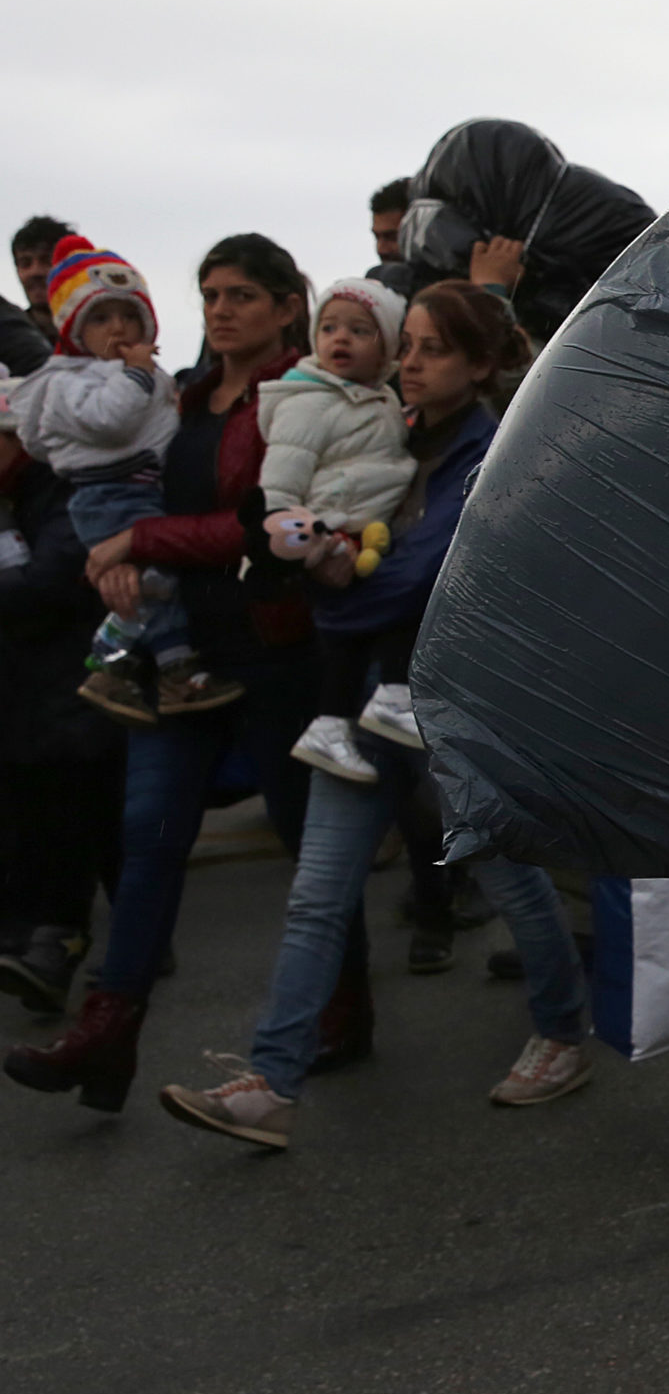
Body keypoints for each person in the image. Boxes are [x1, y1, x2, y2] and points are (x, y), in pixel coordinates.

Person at [155, 281, 581, 1147]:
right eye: (409, 345)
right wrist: (304, 560)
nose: (411, 363)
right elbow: (304, 548)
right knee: (316, 893)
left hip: (450, 707)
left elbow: (408, 580)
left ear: (482, 365)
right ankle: (272, 1081)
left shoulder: (488, 453)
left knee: (508, 878)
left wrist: (331, 578)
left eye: (433, 349)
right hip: (357, 706)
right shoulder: (384, 431)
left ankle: (565, 1032)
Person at [3, 233, 318, 1114]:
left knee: (309, 847)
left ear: (287, 306)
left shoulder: (302, 397)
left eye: (242, 295)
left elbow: (267, 526)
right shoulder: (177, 395)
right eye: (209, 293)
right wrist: (118, 564)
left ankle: (339, 1011)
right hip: (181, 662)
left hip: (272, 648)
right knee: (147, 846)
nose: (220, 310)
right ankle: (106, 1037)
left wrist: (141, 542)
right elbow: (120, 496)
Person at [13, 237, 240, 721]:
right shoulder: (71, 382)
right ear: (73, 328)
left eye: (128, 315)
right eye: (100, 317)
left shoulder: (132, 373)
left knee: (153, 584)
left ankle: (128, 669)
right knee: (154, 583)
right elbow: (109, 419)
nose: (117, 327)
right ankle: (150, 665)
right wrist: (137, 377)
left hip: (139, 491)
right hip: (110, 496)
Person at [252, 276, 416, 783]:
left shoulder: (376, 401)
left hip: (362, 533)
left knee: (352, 639)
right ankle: (382, 698)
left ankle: (332, 724)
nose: (340, 339)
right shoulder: (309, 403)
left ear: (387, 348)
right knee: (380, 615)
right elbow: (278, 485)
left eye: (359, 330)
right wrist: (307, 542)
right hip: (327, 535)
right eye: (329, 328)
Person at [0, 386, 122, 1013]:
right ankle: (44, 947)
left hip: (75, 683)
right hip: (28, 695)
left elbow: (52, 579)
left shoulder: (60, 484)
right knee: (45, 816)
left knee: (87, 813)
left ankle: (89, 945)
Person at [11, 215, 75, 332]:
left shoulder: (102, 335)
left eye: (47, 261)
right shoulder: (8, 335)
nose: (35, 272)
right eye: (25, 263)